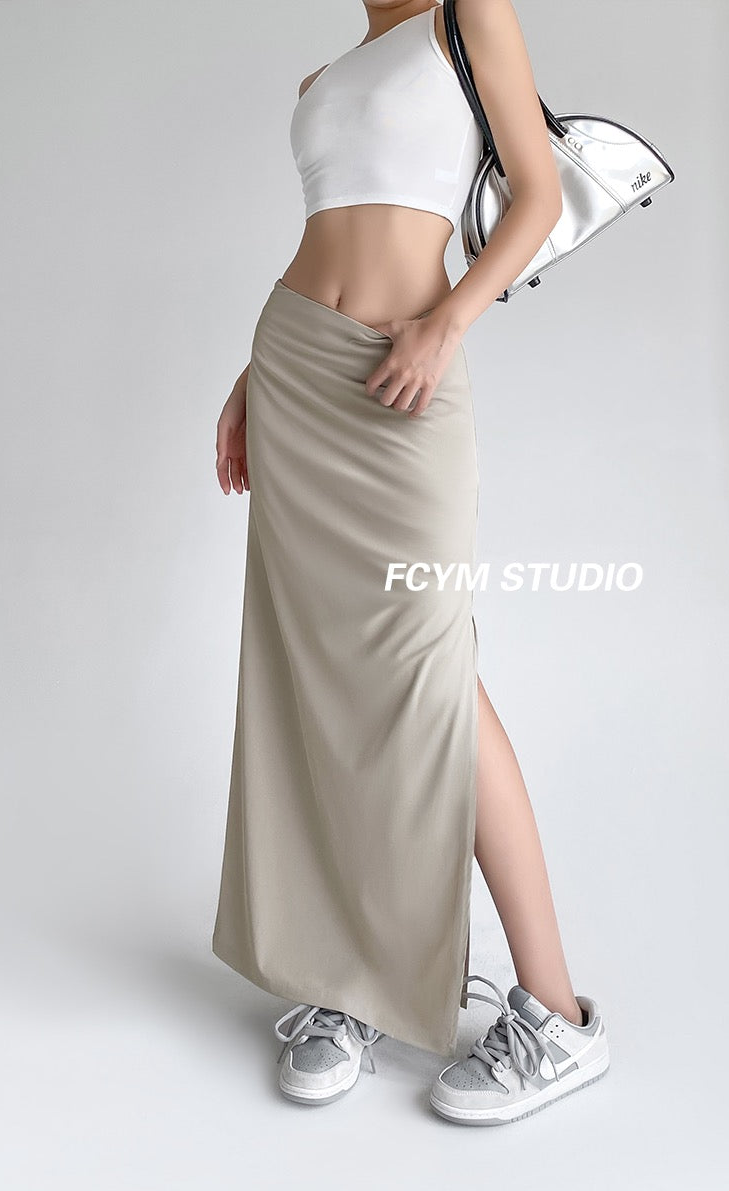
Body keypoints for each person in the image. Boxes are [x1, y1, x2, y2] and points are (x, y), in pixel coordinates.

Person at [212, 0, 610, 1126]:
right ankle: (350, 980)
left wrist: (450, 321)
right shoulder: (330, 72)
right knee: (316, 674)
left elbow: (537, 195)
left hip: (405, 372)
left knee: (430, 674)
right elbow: (327, 233)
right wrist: (253, 379)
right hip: (296, 366)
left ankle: (556, 1017)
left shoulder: (463, 15)